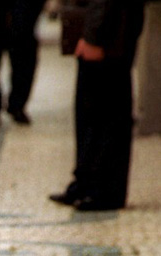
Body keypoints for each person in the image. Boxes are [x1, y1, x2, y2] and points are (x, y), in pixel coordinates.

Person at [49, 0, 146, 211]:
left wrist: (94, 35)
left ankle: (104, 190)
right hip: (104, 25)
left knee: (106, 111)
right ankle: (86, 182)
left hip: (109, 32)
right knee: (90, 110)